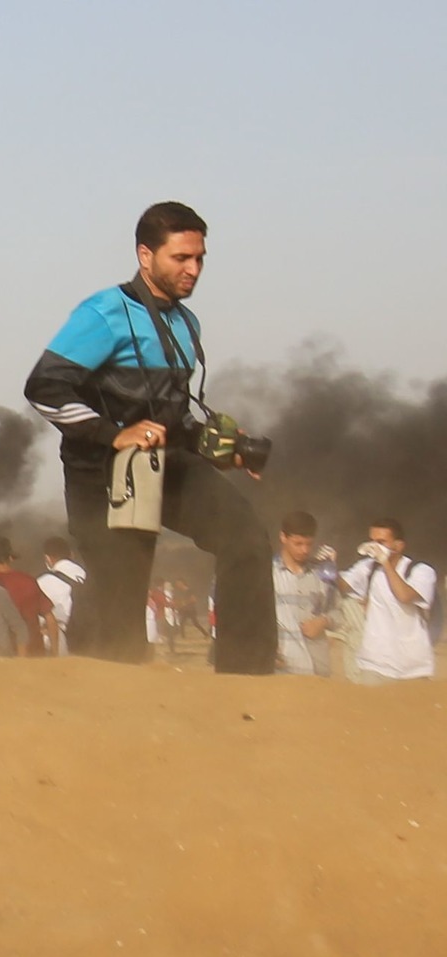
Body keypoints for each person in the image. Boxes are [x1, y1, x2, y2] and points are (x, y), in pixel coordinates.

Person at [24, 201, 275, 675]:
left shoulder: (186, 323)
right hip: (101, 473)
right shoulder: (104, 313)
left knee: (246, 538)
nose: (193, 269)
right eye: (181, 258)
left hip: (165, 463)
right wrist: (113, 434)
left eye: (199, 258)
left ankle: (247, 679)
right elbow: (43, 387)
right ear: (145, 255)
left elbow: (171, 419)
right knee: (122, 593)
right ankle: (100, 707)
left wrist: (227, 449)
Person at [340, 519, 437, 683]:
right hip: (374, 664)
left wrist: (385, 562)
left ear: (399, 546)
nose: (374, 547)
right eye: (372, 541)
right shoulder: (368, 567)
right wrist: (328, 564)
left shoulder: (421, 571)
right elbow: (343, 585)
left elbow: (404, 596)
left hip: (412, 668)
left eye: (381, 542)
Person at [273, 511, 338, 678]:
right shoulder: (266, 573)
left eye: (309, 544)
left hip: (317, 668)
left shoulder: (322, 573)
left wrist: (323, 621)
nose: (304, 550)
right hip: (281, 669)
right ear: (283, 537)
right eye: (298, 543)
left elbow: (340, 612)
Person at [0, 537, 58, 656]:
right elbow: (50, 619)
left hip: (5, 656)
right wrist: (55, 653)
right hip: (36, 653)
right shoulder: (29, 581)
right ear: (10, 558)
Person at [37, 537, 86, 654]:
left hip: (61, 639)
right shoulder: (87, 576)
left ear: (47, 558)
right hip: (91, 636)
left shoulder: (43, 581)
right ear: (72, 555)